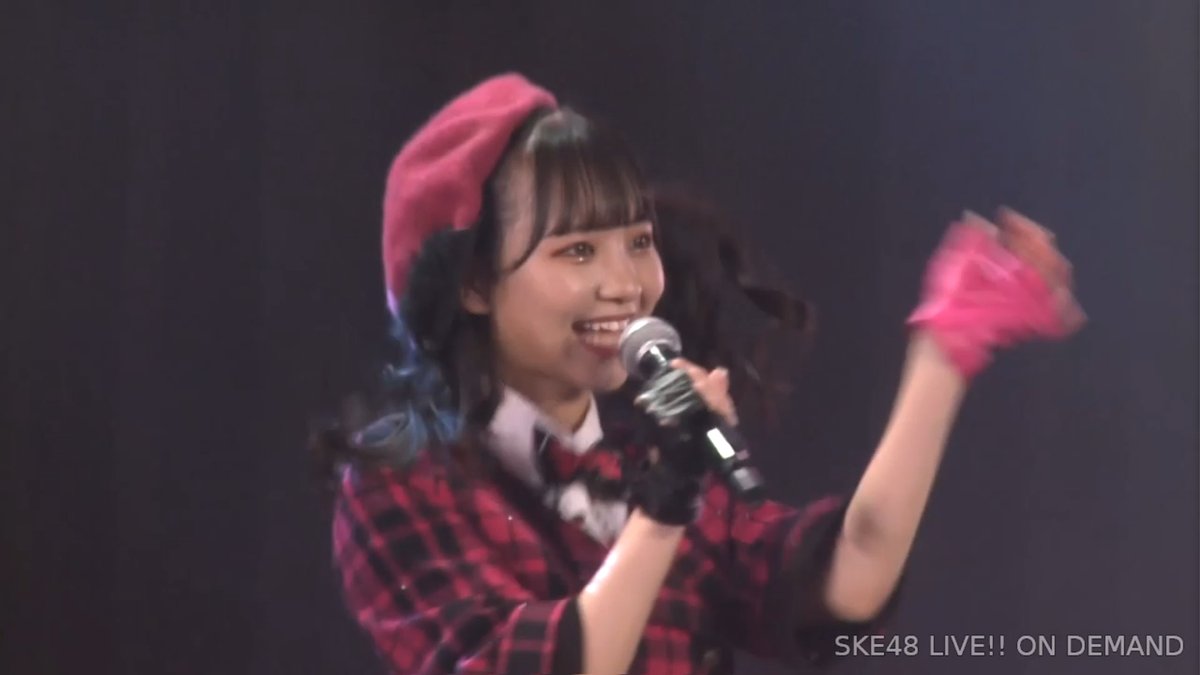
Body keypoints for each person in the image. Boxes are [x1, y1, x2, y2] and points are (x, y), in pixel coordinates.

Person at [314, 73, 1085, 674]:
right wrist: (664, 505)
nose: (625, 284)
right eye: (577, 251)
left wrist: (943, 353)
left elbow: (851, 576)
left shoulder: (644, 456)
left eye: (637, 241)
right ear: (474, 283)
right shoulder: (399, 482)